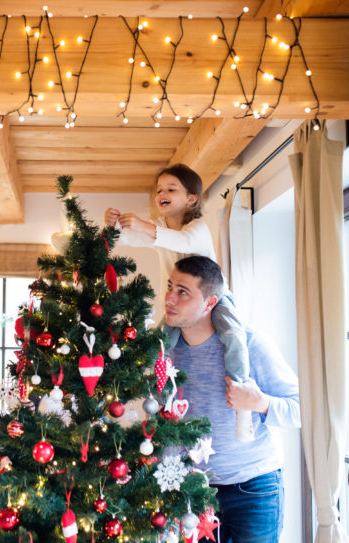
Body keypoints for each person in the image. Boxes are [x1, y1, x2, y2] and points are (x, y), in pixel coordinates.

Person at [104, 164, 254, 441]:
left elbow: (182, 242)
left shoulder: (197, 228)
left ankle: (241, 393)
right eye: (159, 189)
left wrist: (144, 225)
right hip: (178, 306)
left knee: (234, 336)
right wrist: (113, 224)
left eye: (172, 189)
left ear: (191, 199)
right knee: (158, 346)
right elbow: (130, 238)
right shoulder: (158, 227)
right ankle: (161, 404)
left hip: (215, 299)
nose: (162, 193)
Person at [163, 255, 301, 543]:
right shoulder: (163, 352)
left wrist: (259, 403)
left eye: (182, 292)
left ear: (210, 302)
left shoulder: (251, 344)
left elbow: (302, 410)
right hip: (193, 493)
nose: (169, 299)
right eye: (170, 287)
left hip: (253, 489)